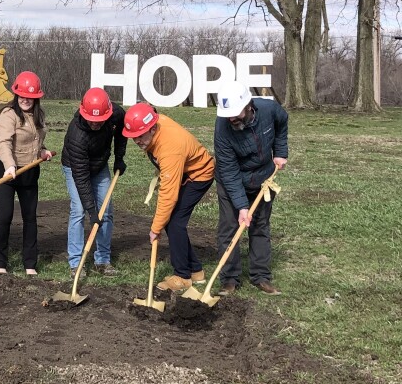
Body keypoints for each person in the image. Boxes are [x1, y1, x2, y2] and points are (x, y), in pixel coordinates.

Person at [122, 102, 214, 292]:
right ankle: (196, 271)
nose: (137, 141)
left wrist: (155, 228)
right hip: (184, 173)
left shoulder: (170, 147)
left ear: (153, 128)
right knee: (173, 222)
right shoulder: (156, 126)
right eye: (133, 137)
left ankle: (182, 276)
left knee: (174, 223)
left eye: (140, 136)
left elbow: (168, 195)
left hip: (199, 175)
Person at [214, 81, 288, 296]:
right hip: (232, 181)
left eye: (236, 113)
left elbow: (282, 123)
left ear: (248, 106)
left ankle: (261, 276)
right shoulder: (223, 128)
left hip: (264, 177)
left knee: (260, 225)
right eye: (228, 115)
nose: (232, 119)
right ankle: (229, 279)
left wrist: (281, 152)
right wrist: (241, 206)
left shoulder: (268, 109)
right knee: (229, 228)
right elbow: (228, 170)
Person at [0, 71, 55, 276]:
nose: (25, 99)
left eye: (30, 96)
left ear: (37, 97)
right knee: (6, 216)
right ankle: (0, 263)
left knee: (30, 217)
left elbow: (36, 140)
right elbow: (3, 144)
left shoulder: (39, 115)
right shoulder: (8, 114)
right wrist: (10, 166)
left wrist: (43, 151)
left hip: (29, 171)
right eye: (21, 95)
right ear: (16, 95)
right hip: (6, 170)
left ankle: (30, 264)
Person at [61, 87, 127, 277]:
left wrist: (119, 157)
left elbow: (121, 131)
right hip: (76, 167)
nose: (95, 124)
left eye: (99, 121)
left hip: (100, 165)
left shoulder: (115, 113)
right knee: (79, 211)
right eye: (92, 120)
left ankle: (103, 261)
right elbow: (81, 178)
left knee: (106, 211)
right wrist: (92, 211)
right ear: (83, 112)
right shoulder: (76, 135)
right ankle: (75, 263)